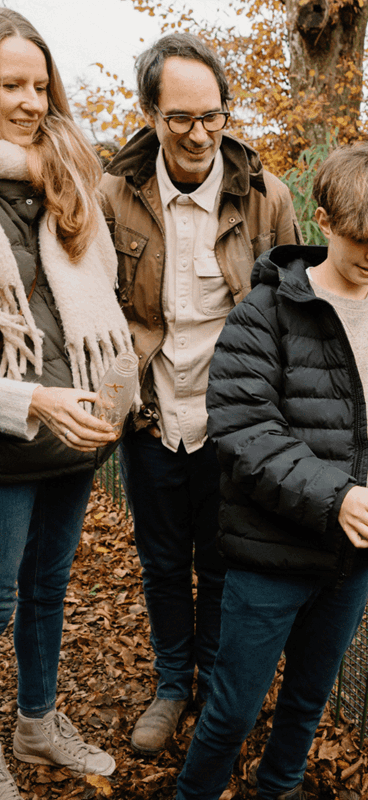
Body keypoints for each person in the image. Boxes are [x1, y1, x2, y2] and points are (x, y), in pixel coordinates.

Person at [174, 142, 368, 800]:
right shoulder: (265, 312)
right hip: (267, 558)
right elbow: (245, 429)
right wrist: (337, 498)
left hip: (353, 558)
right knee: (231, 713)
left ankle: (277, 790)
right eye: (361, 238)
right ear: (324, 221)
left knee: (307, 705)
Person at [100, 33, 301, 755]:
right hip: (152, 414)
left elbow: (292, 314)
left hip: (233, 423)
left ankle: (215, 686)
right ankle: (172, 684)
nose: (199, 133)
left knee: (220, 560)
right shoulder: (114, 194)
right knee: (161, 562)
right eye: (180, 116)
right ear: (151, 112)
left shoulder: (267, 198)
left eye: (212, 115)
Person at [0, 9, 134, 798]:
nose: (28, 102)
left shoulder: (69, 180)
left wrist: (104, 397)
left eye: (39, 86)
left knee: (49, 588)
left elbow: (104, 302)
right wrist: (34, 398)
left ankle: (38, 722)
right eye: (9, 84)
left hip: (79, 430)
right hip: (11, 438)